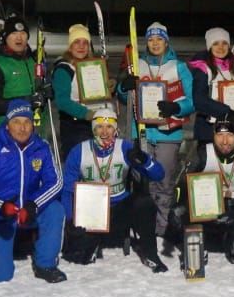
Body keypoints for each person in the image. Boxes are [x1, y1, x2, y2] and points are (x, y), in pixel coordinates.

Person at [0, 99, 66, 283]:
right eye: (17, 122)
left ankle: (46, 264)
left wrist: (34, 204)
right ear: (7, 124)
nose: (22, 128)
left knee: (55, 210)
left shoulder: (41, 146)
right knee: (0, 275)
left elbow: (56, 182)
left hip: (27, 211)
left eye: (27, 122)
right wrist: (1, 207)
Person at [115, 20, 194, 249]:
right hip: (141, 131)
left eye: (159, 39)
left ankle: (161, 226)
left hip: (168, 132)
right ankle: (144, 224)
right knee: (143, 183)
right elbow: (123, 96)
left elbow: (191, 100)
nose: (155, 43)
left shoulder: (178, 67)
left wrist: (175, 108)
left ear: (166, 41)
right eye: (151, 39)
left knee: (164, 180)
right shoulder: (137, 64)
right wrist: (124, 86)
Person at [60, 108, 168, 272]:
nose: (104, 132)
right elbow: (68, 190)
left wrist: (144, 160)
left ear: (115, 129)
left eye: (109, 127)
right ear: (93, 129)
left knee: (144, 203)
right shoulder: (79, 151)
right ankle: (91, 243)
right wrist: (69, 219)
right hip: (92, 211)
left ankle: (151, 253)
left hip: (119, 207)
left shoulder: (125, 147)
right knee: (78, 258)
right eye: (99, 127)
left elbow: (159, 175)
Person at [179, 113, 234, 263]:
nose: (225, 141)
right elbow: (181, 183)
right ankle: (200, 246)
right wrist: (178, 205)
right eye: (220, 135)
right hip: (208, 209)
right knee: (183, 214)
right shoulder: (203, 153)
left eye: (230, 135)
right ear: (213, 135)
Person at [188, 27, 234, 145]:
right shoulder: (203, 68)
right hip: (208, 129)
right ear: (210, 46)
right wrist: (225, 111)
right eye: (216, 44)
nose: (220, 47)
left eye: (224, 43)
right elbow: (199, 99)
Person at [52, 23, 108, 152]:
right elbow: (62, 101)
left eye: (85, 43)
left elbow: (96, 93)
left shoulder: (91, 66)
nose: (81, 46)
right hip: (74, 126)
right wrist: (86, 113)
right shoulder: (64, 69)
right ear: (70, 47)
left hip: (95, 123)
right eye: (77, 42)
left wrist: (107, 87)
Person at [0, 15, 39, 132]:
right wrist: (28, 101)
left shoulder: (34, 62)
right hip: (6, 130)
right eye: (13, 34)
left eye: (23, 33)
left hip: (33, 129)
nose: (19, 38)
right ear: (5, 37)